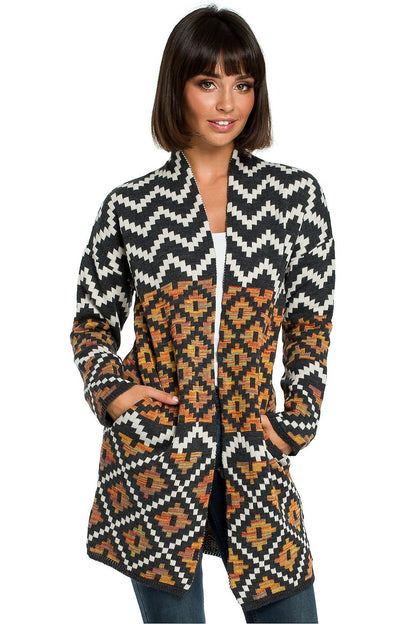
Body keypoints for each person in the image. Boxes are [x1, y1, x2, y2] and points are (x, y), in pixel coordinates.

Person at [69, 5, 335, 623]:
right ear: (177, 88)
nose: (227, 103)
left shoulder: (294, 200)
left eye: (243, 83)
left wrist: (299, 418)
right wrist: (113, 394)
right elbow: (91, 323)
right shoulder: (131, 207)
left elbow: (310, 322)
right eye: (207, 82)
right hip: (156, 461)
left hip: (254, 452)